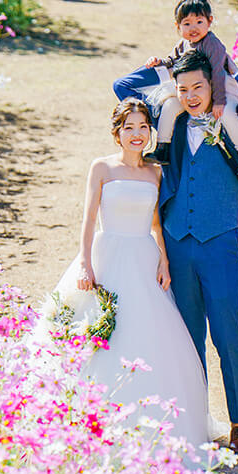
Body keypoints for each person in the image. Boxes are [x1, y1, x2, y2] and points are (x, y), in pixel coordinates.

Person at [113, 50, 238, 455]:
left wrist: (227, 69)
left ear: (213, 87)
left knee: (229, 337)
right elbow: (123, 88)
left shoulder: (234, 120)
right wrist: (161, 69)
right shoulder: (167, 122)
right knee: (187, 342)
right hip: (177, 245)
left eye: (199, 87)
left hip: (221, 243)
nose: (190, 96)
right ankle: (196, 423)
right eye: (183, 88)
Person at [48, 98, 212, 447]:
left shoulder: (155, 171)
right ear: (117, 133)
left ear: (150, 132)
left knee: (149, 332)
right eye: (129, 128)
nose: (136, 134)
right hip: (108, 254)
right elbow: (89, 218)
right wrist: (84, 262)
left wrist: (164, 260)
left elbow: (156, 223)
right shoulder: (102, 168)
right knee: (102, 333)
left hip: (143, 256)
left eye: (142, 127)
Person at [144, 0, 238, 175]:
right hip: (195, 93)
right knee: (170, 105)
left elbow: (219, 72)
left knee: (227, 114)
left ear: (209, 21)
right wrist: (159, 62)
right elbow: (173, 61)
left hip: (223, 89)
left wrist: (219, 101)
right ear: (178, 26)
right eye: (187, 24)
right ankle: (162, 147)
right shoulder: (184, 44)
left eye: (199, 22)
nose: (193, 28)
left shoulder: (212, 44)